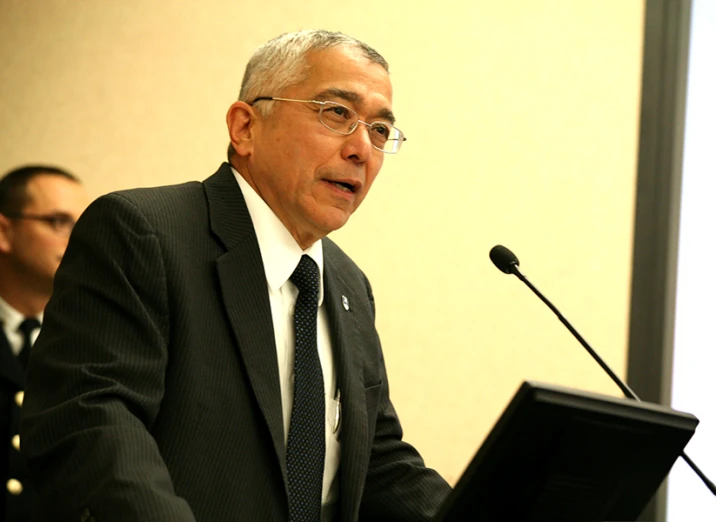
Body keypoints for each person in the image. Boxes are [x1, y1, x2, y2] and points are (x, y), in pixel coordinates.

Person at [20, 30, 452, 522]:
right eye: (337, 113)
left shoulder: (349, 286)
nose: (362, 149)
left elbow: (379, 463)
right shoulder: (146, 233)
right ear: (245, 127)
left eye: (379, 130)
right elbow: (90, 420)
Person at [0, 165, 89, 522]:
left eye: (83, 225)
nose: (78, 238)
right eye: (58, 222)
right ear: (4, 231)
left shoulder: (89, 341)